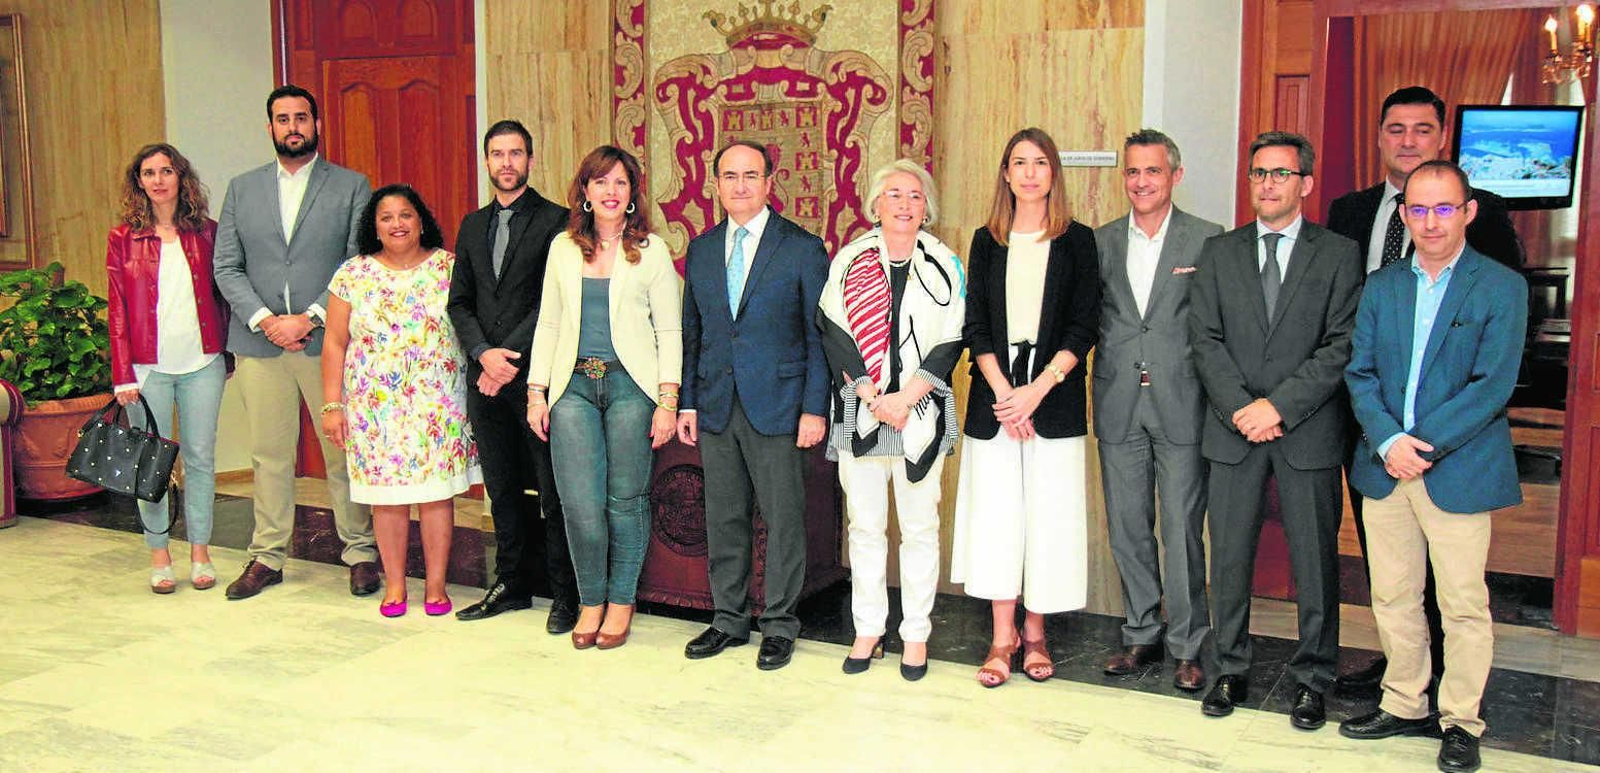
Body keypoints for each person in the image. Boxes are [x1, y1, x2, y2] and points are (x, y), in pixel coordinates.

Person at [1326, 85, 1524, 696]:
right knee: (1393, 592)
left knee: (1461, 601)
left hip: (1455, 460)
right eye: (1418, 210)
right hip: (1381, 456)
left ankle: (1460, 711)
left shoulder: (1500, 278)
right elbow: (1358, 365)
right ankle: (1405, 697)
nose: (1430, 221)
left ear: (1467, 212)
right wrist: (1388, 440)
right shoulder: (1379, 276)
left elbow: (1492, 381)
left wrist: (1420, 443)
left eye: (1444, 209)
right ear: (1404, 214)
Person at [1189, 131, 1362, 729]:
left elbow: (1340, 344)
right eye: (1259, 173)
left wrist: (1279, 408)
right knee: (1229, 557)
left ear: (1305, 183)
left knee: (1314, 562)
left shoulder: (1338, 253)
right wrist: (1243, 407)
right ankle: (1229, 668)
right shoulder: (1219, 251)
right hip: (1233, 429)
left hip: (1307, 431)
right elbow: (1204, 340)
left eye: (1280, 173)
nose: (1267, 184)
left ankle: (1313, 678)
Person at [213, 84, 378, 600]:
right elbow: (226, 265)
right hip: (261, 344)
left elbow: (357, 262)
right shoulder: (242, 189)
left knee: (341, 451)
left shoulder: (351, 186)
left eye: (301, 118)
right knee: (269, 455)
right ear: (270, 128)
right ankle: (267, 555)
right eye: (282, 119)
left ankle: (360, 551)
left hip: (327, 341)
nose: (293, 127)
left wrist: (310, 317)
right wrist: (266, 320)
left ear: (317, 124)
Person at [949, 128, 1100, 688]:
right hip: (995, 404)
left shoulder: (1077, 240)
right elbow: (975, 325)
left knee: (1048, 518)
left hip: (1053, 401)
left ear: (1053, 172)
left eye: (1040, 162)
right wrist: (1004, 394)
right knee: (998, 519)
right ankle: (1001, 638)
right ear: (1006, 175)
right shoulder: (986, 240)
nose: (1030, 172)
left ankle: (1036, 634)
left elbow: (1085, 324)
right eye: (1020, 163)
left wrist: (1036, 390)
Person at [678, 140, 829, 671]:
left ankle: (780, 625)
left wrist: (815, 408)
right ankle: (728, 619)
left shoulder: (802, 248)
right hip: (716, 404)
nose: (739, 185)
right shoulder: (701, 250)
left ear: (769, 183)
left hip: (781, 406)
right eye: (729, 176)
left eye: (750, 176)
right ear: (716, 184)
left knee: (784, 519)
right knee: (724, 517)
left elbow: (818, 336)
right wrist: (687, 403)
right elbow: (693, 334)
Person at [525, 145, 681, 650]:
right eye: (601, 182)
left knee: (625, 502)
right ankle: (590, 600)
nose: (611, 191)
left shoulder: (651, 251)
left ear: (632, 192)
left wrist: (668, 400)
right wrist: (536, 392)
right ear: (585, 192)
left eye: (620, 182)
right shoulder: (563, 248)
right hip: (572, 388)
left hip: (631, 388)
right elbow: (549, 323)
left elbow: (670, 329)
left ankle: (620, 601)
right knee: (580, 505)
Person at [817, 159, 966, 681]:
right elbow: (832, 328)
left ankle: (916, 634)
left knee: (921, 527)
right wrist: (869, 392)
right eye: (894, 195)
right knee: (865, 526)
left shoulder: (945, 262)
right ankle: (868, 629)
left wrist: (904, 399)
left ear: (927, 209)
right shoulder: (850, 259)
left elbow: (954, 336)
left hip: (919, 413)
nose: (904, 204)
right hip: (862, 409)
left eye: (915, 196)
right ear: (875, 204)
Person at [1092, 130, 1223, 691]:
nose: (1141, 181)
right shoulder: (1100, 241)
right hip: (1118, 400)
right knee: (1127, 526)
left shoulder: (1208, 239)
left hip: (1182, 403)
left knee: (1182, 529)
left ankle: (1189, 645)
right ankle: (1141, 633)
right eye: (1132, 171)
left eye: (1152, 171)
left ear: (1175, 175)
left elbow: (1217, 326)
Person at [319, 184, 477, 617]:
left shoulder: (449, 267)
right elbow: (334, 343)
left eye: (405, 215)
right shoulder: (352, 274)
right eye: (386, 217)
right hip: (375, 408)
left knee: (435, 495)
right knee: (386, 497)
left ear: (421, 220)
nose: (397, 224)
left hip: (438, 406)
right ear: (374, 227)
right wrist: (333, 405)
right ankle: (394, 586)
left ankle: (436, 587)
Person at [447, 119, 579, 632]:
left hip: (536, 380)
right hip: (484, 380)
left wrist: (507, 361)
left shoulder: (557, 222)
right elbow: (460, 302)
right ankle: (511, 585)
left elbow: (553, 302)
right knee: (500, 489)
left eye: (516, 153)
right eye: (498, 154)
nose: (507, 163)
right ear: (486, 161)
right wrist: (483, 354)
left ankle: (565, 594)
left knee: (551, 491)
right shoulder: (471, 225)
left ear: (531, 160)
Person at [105, 143, 229, 594]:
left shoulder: (208, 233)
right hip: (146, 369)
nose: (158, 180)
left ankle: (201, 552)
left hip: (203, 363)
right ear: (138, 182)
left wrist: (226, 352)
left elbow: (223, 295)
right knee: (149, 462)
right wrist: (123, 373)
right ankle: (159, 553)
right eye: (148, 173)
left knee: (200, 459)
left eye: (166, 171)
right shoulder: (123, 238)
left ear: (181, 177)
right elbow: (117, 309)